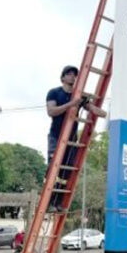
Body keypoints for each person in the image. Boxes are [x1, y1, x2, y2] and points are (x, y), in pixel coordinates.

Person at [45, 65, 107, 212]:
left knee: (65, 173)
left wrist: (108, 113)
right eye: (70, 74)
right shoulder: (54, 93)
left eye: (75, 75)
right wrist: (72, 104)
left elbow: (92, 109)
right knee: (53, 168)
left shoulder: (78, 95)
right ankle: (48, 202)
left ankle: (58, 202)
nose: (73, 77)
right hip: (56, 136)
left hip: (71, 139)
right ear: (63, 78)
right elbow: (51, 111)